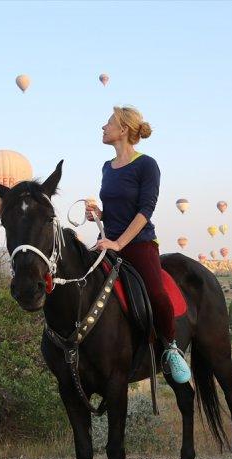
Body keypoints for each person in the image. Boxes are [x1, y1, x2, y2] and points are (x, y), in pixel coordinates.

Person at [85, 106, 191, 384]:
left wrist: (120, 243)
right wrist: (99, 215)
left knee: (156, 294)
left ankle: (170, 348)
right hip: (108, 241)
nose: (103, 127)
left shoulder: (147, 164)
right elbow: (117, 211)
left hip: (139, 243)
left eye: (108, 123)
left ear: (123, 130)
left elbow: (145, 210)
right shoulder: (107, 167)